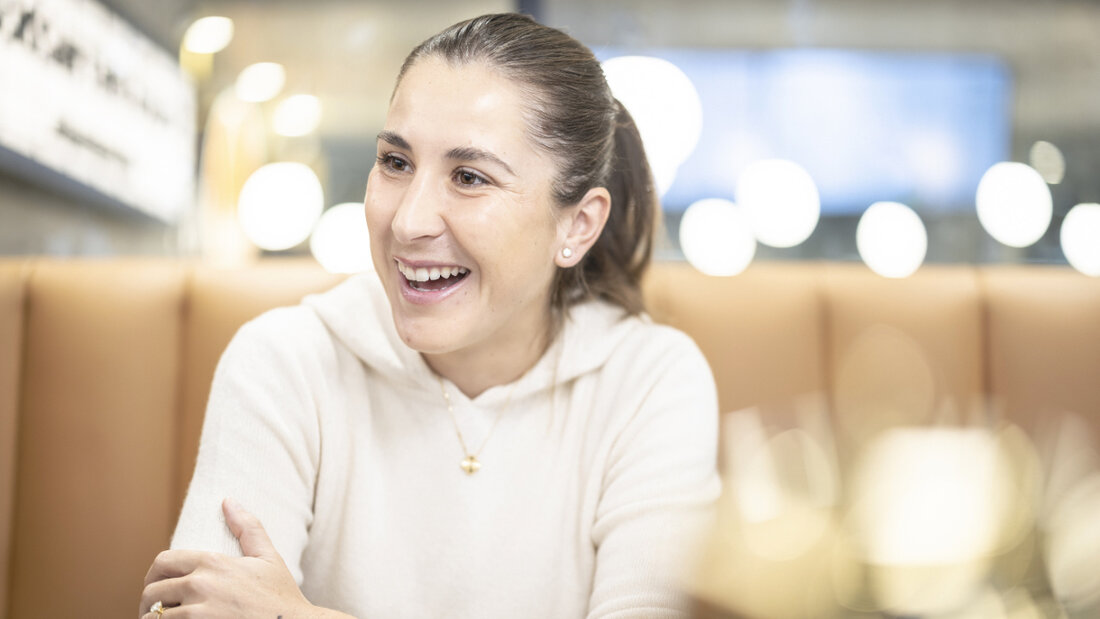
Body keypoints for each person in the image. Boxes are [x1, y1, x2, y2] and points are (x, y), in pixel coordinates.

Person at [140, 12, 719, 619]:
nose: (409, 221)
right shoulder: (285, 359)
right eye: (395, 162)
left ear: (578, 224)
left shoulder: (652, 379)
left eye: (469, 177)